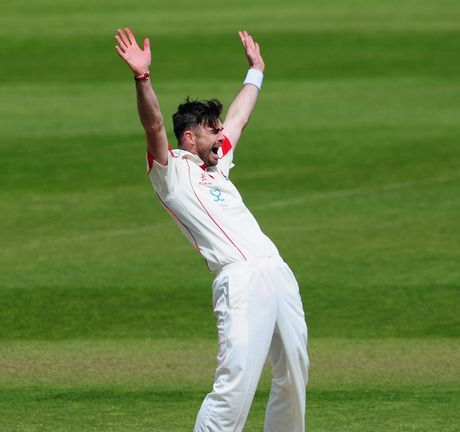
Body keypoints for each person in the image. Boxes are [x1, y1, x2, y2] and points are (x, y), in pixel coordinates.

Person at [114, 28, 309, 432]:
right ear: (190, 136)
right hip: (237, 281)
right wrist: (142, 78)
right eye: (212, 129)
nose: (221, 134)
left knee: (294, 373)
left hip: (276, 271)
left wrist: (255, 72)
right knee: (235, 384)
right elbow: (152, 125)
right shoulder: (171, 172)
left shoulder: (217, 164)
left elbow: (240, 117)